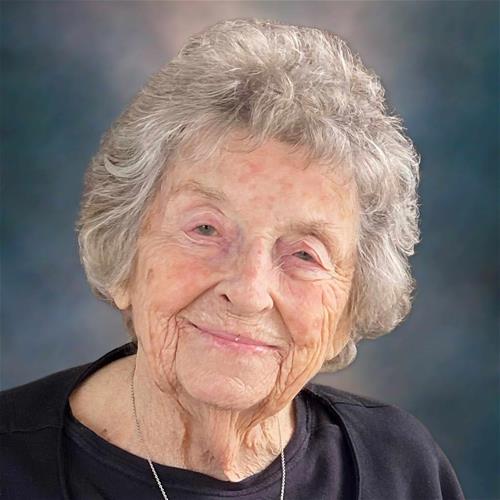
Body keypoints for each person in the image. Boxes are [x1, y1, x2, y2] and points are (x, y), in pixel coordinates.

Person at [1, 18, 465, 500]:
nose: (248, 292)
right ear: (125, 250)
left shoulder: (399, 469)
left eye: (304, 254)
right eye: (206, 229)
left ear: (350, 307)